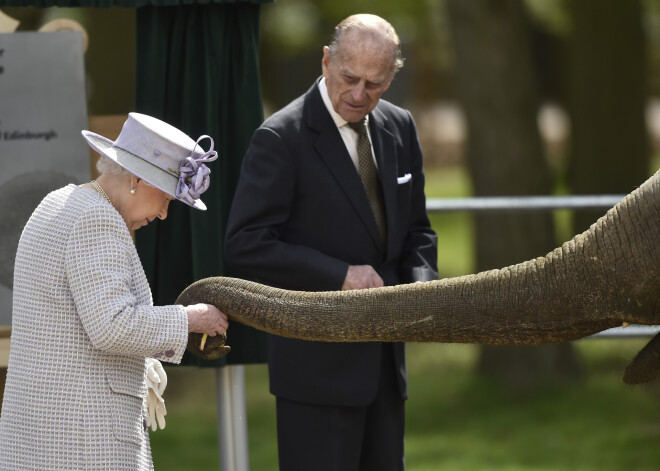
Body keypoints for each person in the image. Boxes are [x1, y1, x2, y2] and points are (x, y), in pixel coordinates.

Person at [224, 14, 438, 471]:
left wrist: (423, 288)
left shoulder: (400, 127)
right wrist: (339, 275)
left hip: (385, 369)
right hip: (314, 375)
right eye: (350, 78)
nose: (360, 95)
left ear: (391, 78)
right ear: (326, 61)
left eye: (375, 84)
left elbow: (419, 231)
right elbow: (245, 243)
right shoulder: (281, 137)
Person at [0, 112, 229, 470]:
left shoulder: (57, 203)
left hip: (41, 438)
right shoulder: (98, 218)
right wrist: (190, 319)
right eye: (167, 198)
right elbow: (113, 326)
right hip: (84, 442)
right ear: (137, 178)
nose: (165, 214)